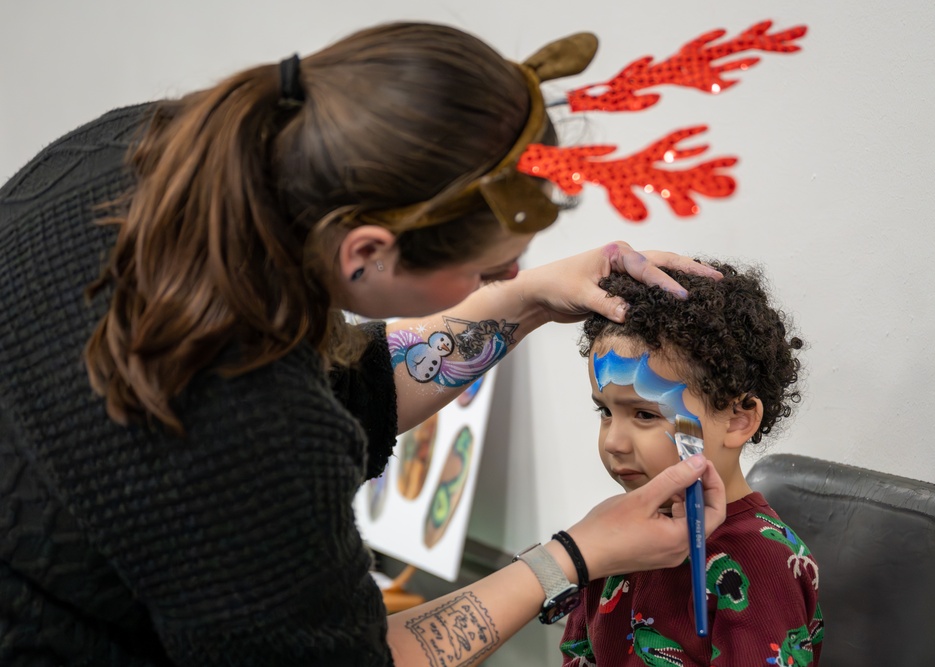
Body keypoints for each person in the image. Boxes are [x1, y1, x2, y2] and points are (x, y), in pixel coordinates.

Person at [0, 21, 729, 667]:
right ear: (365, 253)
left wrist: (524, 298)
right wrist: (572, 555)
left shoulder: (148, 146)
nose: (505, 274)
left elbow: (340, 384)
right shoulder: (246, 424)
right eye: (488, 268)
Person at [560, 261, 824, 666]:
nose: (612, 441)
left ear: (738, 420)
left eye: (645, 415)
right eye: (605, 413)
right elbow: (580, 653)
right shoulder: (616, 533)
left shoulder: (764, 565)